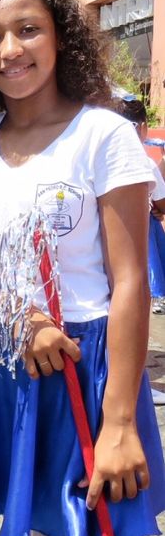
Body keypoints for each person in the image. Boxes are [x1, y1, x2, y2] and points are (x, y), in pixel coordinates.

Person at [0, 0, 165, 536]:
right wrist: (21, 315)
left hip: (80, 364)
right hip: (0, 354)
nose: (10, 50)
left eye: (28, 30)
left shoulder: (104, 135)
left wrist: (118, 423)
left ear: (62, 39)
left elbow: (130, 282)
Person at [120, 96, 165, 406]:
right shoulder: (143, 160)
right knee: (137, 302)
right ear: (142, 127)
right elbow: (161, 202)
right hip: (140, 240)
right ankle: (140, 384)